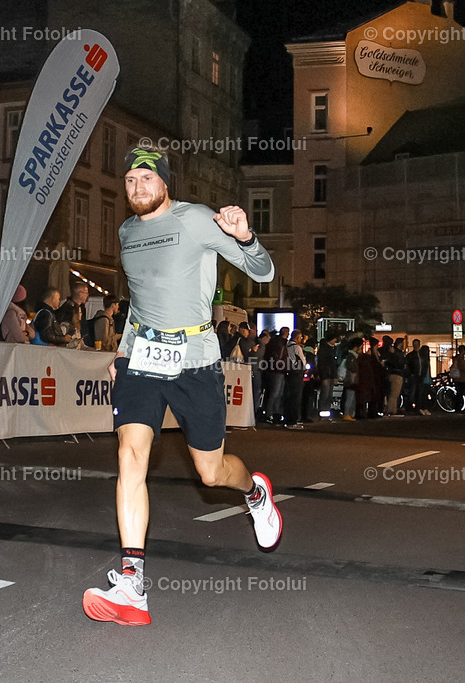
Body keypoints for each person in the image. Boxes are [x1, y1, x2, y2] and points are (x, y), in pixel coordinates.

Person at [82, 147, 280, 626]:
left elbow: (264, 272)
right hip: (143, 360)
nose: (137, 189)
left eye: (145, 179)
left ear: (165, 182)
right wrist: (124, 349)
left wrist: (245, 235)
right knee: (131, 454)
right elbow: (138, 303)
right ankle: (132, 583)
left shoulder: (197, 220)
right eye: (129, 181)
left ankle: (254, 493)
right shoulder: (128, 232)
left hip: (195, 359)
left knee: (211, 474)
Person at [316, 335, 340, 420]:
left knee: (327, 395)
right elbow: (329, 364)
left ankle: (324, 413)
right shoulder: (328, 350)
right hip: (327, 375)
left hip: (327, 375)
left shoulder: (326, 349)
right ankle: (324, 413)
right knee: (326, 395)